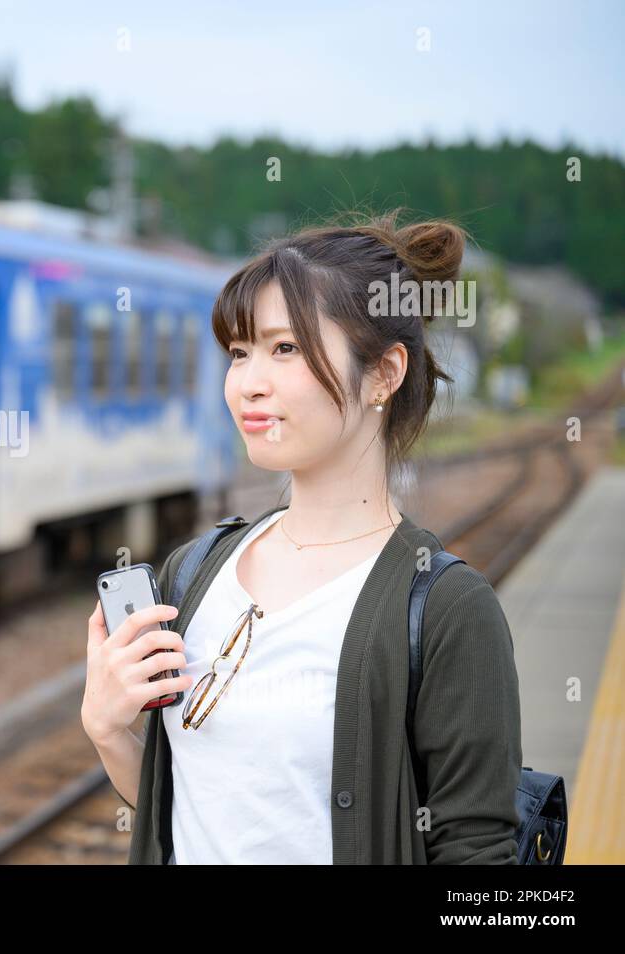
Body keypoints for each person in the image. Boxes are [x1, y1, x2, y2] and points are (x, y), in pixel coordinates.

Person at [80, 210, 523, 864]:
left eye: (284, 349)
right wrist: (110, 732)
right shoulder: (192, 573)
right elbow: (188, 813)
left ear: (383, 374)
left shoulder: (447, 612)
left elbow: (477, 857)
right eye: (239, 352)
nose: (247, 384)